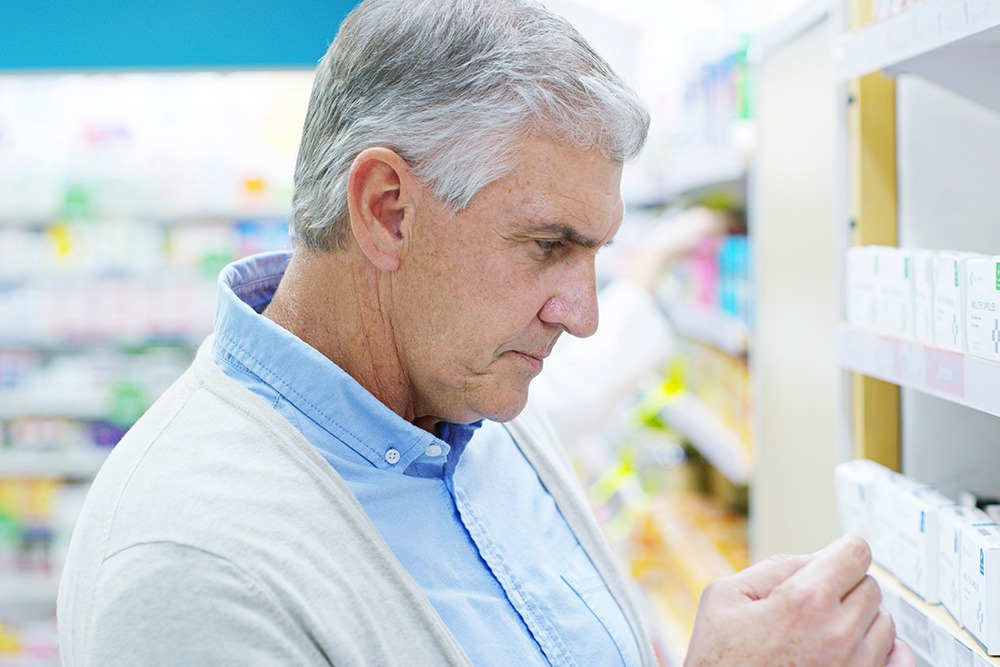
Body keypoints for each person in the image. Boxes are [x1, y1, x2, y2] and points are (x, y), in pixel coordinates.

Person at [57, 1, 914, 665]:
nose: (584, 313)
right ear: (388, 210)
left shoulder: (468, 394)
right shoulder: (189, 565)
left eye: (595, 254)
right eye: (549, 246)